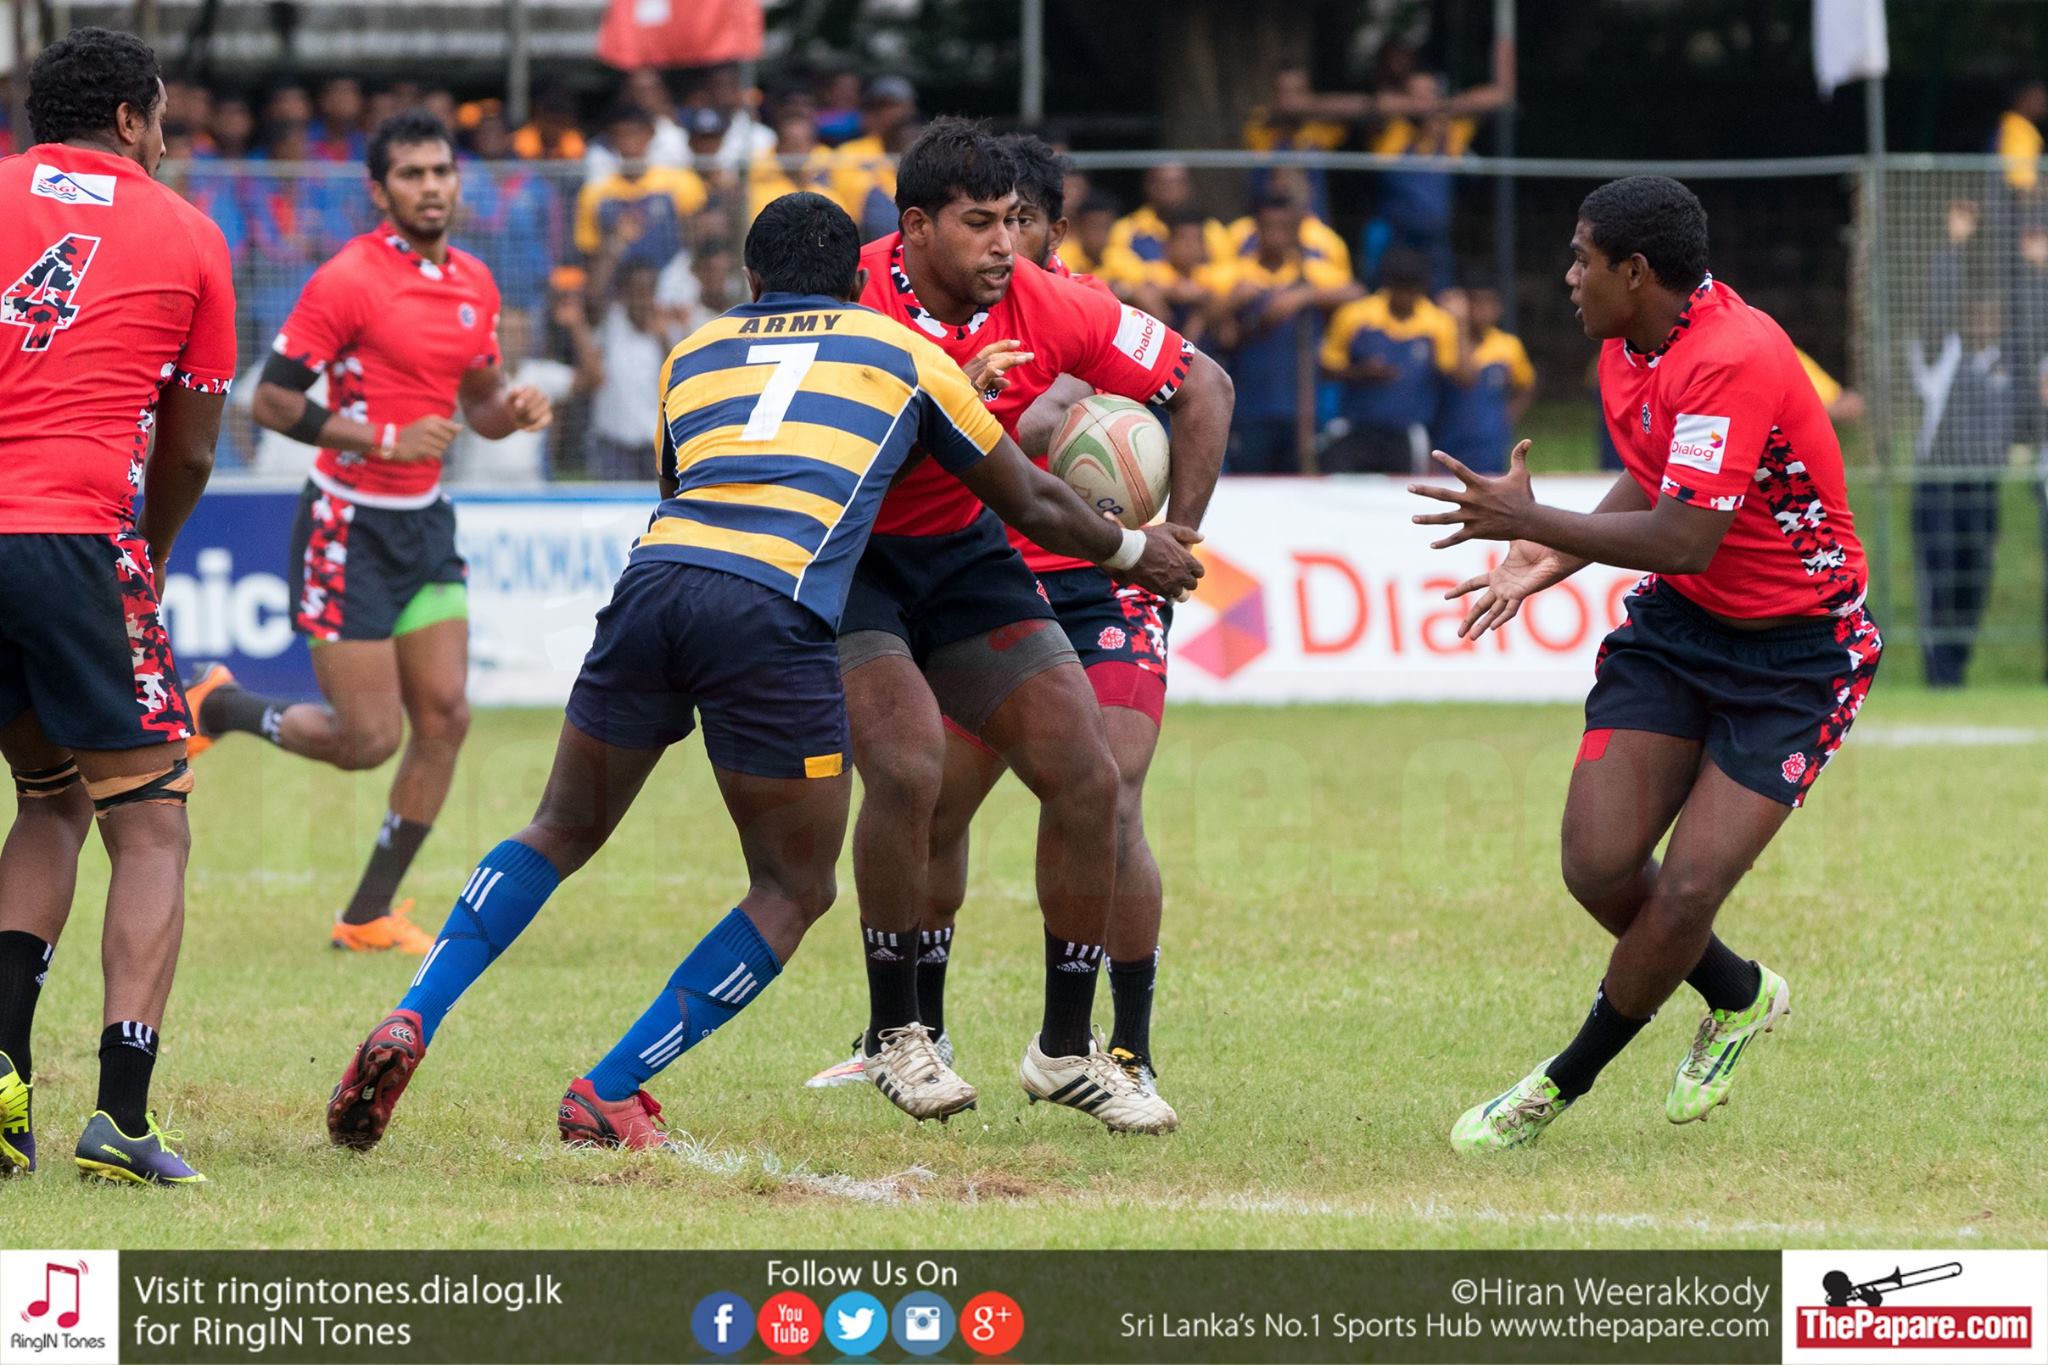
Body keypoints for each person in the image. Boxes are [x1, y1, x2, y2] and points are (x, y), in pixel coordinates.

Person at [321, 191, 1203, 1154]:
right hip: (771, 608)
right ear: (857, 281)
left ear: (749, 280)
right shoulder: (903, 351)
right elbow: (1029, 497)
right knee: (791, 886)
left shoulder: (691, 353)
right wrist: (1133, 550)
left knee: (559, 826)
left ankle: (412, 1013)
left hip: (654, 585)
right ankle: (609, 1089)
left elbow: (677, 485)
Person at [1415, 176, 1880, 1151]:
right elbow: (1657, 478)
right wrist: (1549, 556)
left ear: (1634, 271)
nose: (1567, 276)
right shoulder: (1626, 343)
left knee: (1688, 890)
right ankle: (1739, 992)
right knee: (1596, 865)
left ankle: (1555, 1085)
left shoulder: (1733, 354)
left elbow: (1682, 537)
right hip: (1680, 631)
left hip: (1799, 653)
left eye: (1581, 258)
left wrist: (1529, 519)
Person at [815, 120, 1232, 1133]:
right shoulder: (848, 295)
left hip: (969, 556)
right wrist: (948, 399)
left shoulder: (1052, 303)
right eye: (981, 223)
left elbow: (1203, 384)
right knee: (910, 774)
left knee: (1090, 777)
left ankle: (1069, 1050)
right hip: (856, 555)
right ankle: (899, 1034)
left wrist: (1171, 534)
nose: (1006, 244)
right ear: (915, 228)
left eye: (1016, 221)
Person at [186, 112, 555, 952]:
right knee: (367, 740)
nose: (431, 186)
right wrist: (384, 439)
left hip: (425, 523)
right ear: (380, 192)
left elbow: (481, 404)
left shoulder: (475, 282)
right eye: (412, 174)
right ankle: (223, 704)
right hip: (345, 524)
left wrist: (517, 409)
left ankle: (366, 916)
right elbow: (270, 400)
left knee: (447, 716)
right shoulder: (348, 279)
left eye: (441, 171)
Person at [0, 26, 237, 1182]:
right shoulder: (188, 234)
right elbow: (188, 448)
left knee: (49, 796)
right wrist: (149, 551)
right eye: (163, 121)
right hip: (77, 538)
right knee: (149, 822)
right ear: (135, 119)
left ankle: (2, 1083)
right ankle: (121, 1119)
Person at [1217, 191, 1355, 474]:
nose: (1276, 235)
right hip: (1250, 404)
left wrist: (1304, 295)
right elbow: (1217, 331)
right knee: (1251, 482)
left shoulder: (1309, 272)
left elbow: (1355, 291)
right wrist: (1231, 304)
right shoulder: (1238, 273)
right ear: (1256, 230)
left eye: (1283, 228)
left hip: (1301, 407)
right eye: (1269, 227)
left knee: (1298, 484)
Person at [1321, 246, 1457, 472]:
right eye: (1399, 290)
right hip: (1356, 427)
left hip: (1407, 431)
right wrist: (1360, 372)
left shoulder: (1438, 323)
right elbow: (1327, 368)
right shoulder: (1355, 316)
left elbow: (1450, 374)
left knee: (1408, 488)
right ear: (1387, 285)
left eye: (1411, 291)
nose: (1404, 298)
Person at [574, 107, 708, 273]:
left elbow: (699, 237)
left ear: (650, 135)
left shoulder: (680, 182)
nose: (627, 141)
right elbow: (588, 251)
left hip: (674, 276)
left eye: (634, 133)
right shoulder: (595, 192)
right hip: (619, 280)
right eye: (620, 134)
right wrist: (616, 241)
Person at [1434, 283, 1535, 475]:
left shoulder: (1508, 345)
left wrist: (1506, 418)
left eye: (1488, 303)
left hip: (1489, 442)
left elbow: (1526, 385)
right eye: (1476, 303)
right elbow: (1465, 377)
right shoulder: (1446, 340)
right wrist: (1460, 325)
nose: (1482, 311)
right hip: (1448, 437)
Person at [1099, 163, 1230, 301]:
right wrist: (1167, 284)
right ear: (1149, 187)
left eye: (1178, 183)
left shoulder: (1209, 228)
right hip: (1148, 297)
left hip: (1201, 295)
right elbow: (1115, 262)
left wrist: (1197, 283)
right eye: (1165, 184)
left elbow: (1227, 268)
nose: (1172, 190)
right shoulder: (1127, 227)